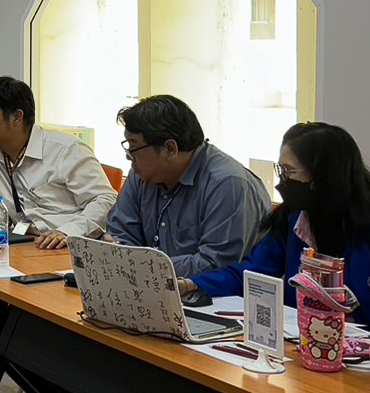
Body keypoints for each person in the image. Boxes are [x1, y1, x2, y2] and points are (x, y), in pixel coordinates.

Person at [183, 122, 370, 344]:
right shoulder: (293, 219)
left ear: (322, 175)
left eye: (289, 172)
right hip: (328, 351)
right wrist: (192, 284)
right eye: (281, 170)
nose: (282, 182)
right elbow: (251, 274)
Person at [106, 94, 272, 277]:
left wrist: (144, 266)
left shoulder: (227, 184)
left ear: (170, 149)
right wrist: (134, 262)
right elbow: (118, 235)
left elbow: (215, 265)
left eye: (134, 147)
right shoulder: (142, 175)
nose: (128, 156)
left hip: (216, 293)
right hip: (151, 286)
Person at [0, 76, 115, 249]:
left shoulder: (66, 149)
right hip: (24, 242)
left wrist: (68, 232)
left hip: (68, 246)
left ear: (17, 117)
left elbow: (106, 200)